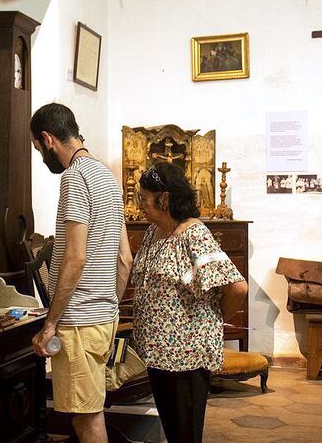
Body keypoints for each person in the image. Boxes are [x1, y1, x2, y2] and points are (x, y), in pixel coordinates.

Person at [29, 103, 132, 443]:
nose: (41, 156)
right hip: (104, 317)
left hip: (78, 322)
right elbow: (124, 258)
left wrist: (50, 323)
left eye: (37, 148)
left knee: (86, 421)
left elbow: (75, 258)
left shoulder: (75, 177)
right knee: (89, 412)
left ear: (48, 139)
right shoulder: (107, 175)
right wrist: (109, 304)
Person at [131, 162, 248, 443]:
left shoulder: (193, 233)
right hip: (158, 354)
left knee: (185, 435)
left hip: (186, 355)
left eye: (144, 199)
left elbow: (238, 288)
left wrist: (212, 322)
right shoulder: (152, 232)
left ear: (165, 199)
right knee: (173, 433)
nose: (139, 205)